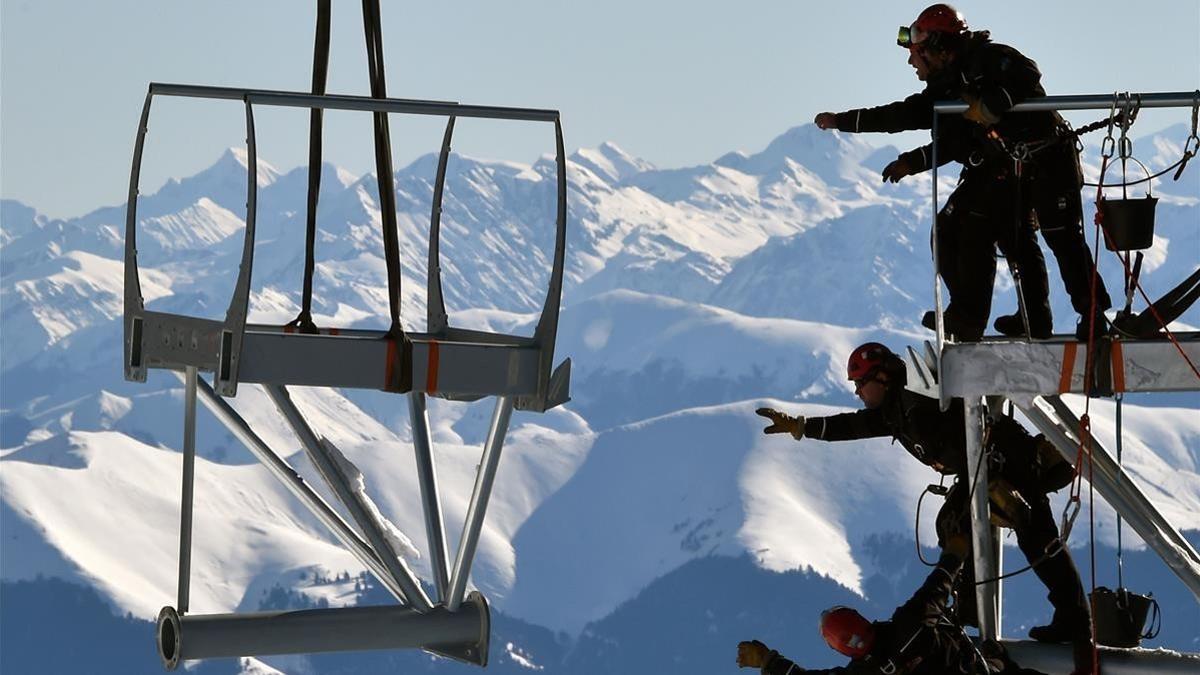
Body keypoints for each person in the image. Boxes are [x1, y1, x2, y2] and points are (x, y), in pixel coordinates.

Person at [755, 342, 1093, 672]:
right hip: (984, 470)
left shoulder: (920, 396)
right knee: (955, 525)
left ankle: (1075, 621)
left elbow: (959, 403)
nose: (858, 392)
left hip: (1010, 462)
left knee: (1036, 538)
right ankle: (971, 610)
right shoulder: (894, 411)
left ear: (883, 377)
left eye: (860, 383)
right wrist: (801, 427)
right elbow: (851, 426)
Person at [813, 4, 1112, 341]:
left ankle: (1091, 316)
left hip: (1048, 158)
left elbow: (1027, 76)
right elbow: (907, 118)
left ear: (937, 48)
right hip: (1010, 166)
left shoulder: (987, 59)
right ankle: (1012, 318)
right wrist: (845, 123)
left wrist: (992, 103)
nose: (911, 62)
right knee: (1001, 234)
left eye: (916, 53)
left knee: (1061, 237)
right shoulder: (947, 87)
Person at [735, 536, 1050, 674]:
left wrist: (768, 662)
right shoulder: (910, 623)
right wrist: (954, 554)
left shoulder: (863, 674)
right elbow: (937, 587)